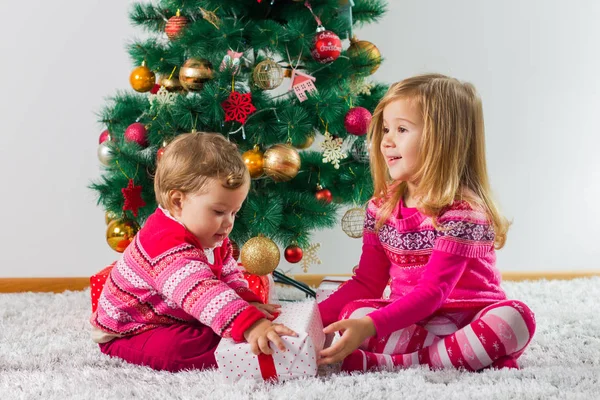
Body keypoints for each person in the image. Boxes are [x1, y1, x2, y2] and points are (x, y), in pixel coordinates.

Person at [318, 74, 536, 372]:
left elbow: (434, 292)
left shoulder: (464, 211)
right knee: (354, 312)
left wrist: (370, 327)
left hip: (471, 318)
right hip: (413, 322)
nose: (387, 141)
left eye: (402, 129)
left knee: (516, 318)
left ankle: (404, 363)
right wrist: (312, 319)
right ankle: (461, 357)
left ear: (442, 140)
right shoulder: (380, 208)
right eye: (385, 129)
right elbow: (367, 283)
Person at [91, 132, 296, 372]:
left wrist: (245, 299)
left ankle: (231, 325)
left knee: (219, 322)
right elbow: (201, 290)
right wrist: (250, 325)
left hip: (175, 314)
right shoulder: (165, 244)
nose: (228, 223)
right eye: (219, 211)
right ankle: (240, 344)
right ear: (178, 201)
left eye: (234, 212)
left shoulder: (209, 233)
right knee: (180, 350)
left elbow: (227, 270)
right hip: (133, 330)